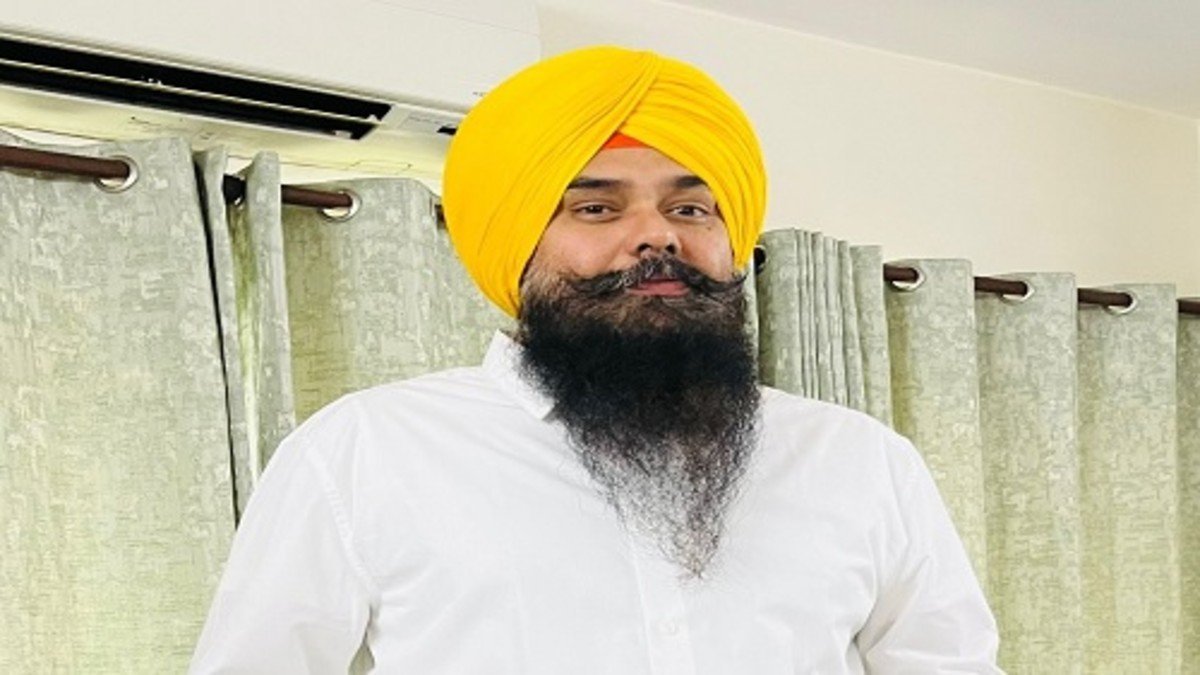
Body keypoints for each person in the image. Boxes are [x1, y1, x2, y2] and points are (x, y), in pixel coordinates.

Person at [190, 46, 1000, 673]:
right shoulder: (365, 452)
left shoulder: (861, 462)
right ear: (516, 245)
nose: (657, 236)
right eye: (596, 207)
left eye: (691, 207)